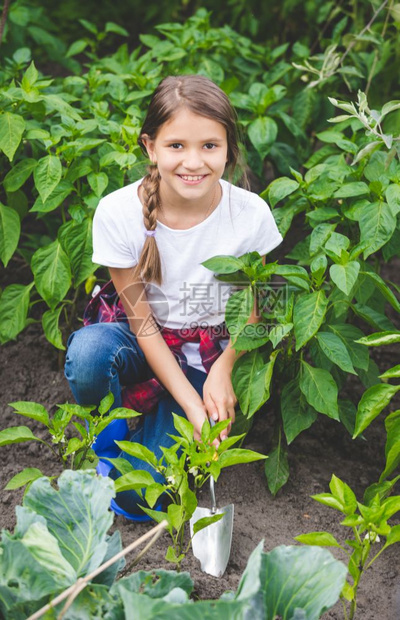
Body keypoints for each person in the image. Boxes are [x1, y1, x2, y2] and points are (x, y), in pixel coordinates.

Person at [64, 74, 283, 519]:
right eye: (176, 145)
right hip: (145, 344)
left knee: (143, 499)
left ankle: (155, 431)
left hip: (210, 354)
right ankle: (112, 438)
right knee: (88, 355)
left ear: (228, 148)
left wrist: (225, 368)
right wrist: (189, 403)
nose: (194, 162)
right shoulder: (118, 212)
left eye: (210, 146)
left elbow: (269, 306)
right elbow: (141, 323)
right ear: (150, 147)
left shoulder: (249, 214)